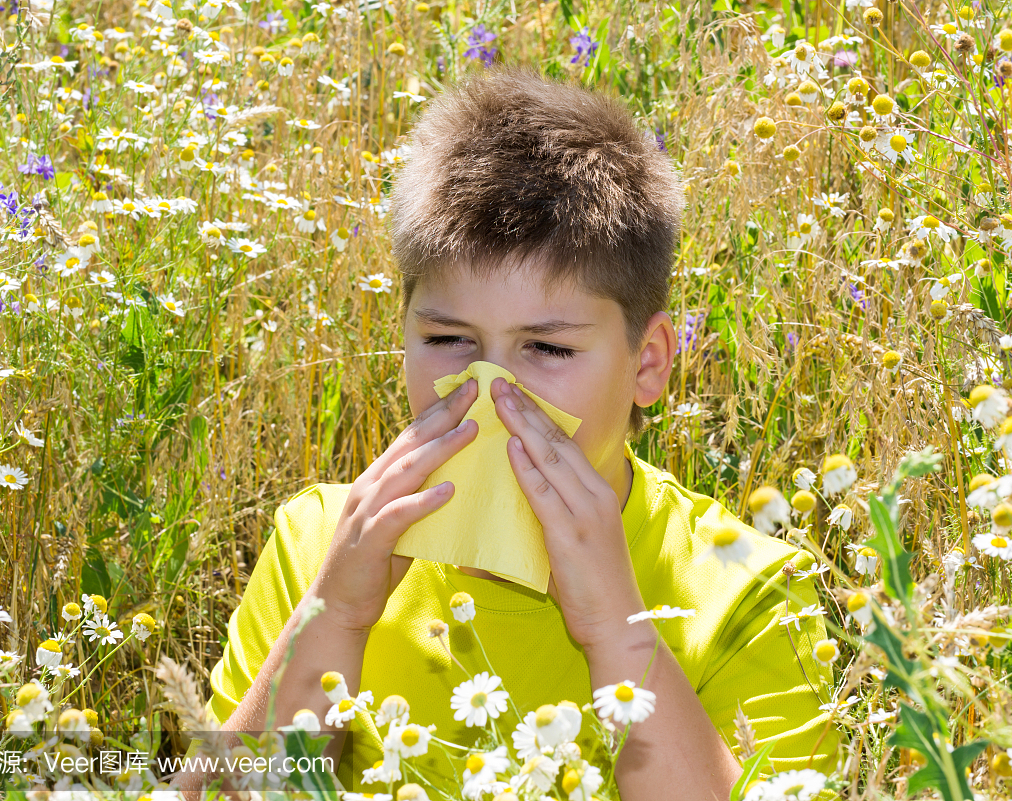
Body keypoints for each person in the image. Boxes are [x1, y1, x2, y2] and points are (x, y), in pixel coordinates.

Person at [178, 64, 842, 800]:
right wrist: (337, 615)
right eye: (450, 339)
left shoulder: (743, 588)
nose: (492, 392)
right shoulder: (321, 545)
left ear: (647, 363)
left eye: (549, 349)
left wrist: (619, 633)